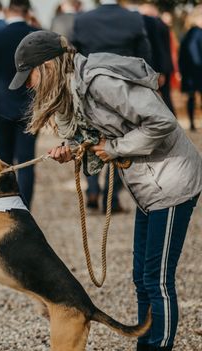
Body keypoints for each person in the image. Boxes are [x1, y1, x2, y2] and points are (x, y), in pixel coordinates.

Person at [11, 30, 202, 351]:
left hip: (172, 181)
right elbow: (100, 136)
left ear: (47, 66)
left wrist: (112, 147)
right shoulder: (76, 87)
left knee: (157, 280)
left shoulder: (100, 80)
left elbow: (162, 123)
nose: (30, 86)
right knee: (142, 279)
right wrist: (77, 148)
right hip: (149, 186)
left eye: (30, 76)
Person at [71, 0, 153, 214]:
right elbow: (145, 55)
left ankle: (92, 188)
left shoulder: (82, 20)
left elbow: (74, 57)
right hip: (124, 92)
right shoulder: (133, 18)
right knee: (119, 141)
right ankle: (112, 196)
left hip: (91, 91)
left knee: (88, 139)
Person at [0, 0, 38, 207]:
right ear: (27, 11)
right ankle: (25, 207)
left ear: (7, 11)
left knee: (3, 158)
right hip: (31, 106)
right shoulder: (36, 36)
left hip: (1, 104)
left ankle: (6, 203)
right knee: (27, 160)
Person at [179, 6, 202, 131]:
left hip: (189, 72)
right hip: (197, 71)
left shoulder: (187, 33)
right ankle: (193, 123)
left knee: (191, 97)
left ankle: (192, 123)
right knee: (193, 97)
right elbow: (195, 52)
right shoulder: (197, 32)